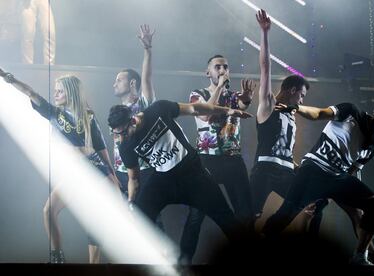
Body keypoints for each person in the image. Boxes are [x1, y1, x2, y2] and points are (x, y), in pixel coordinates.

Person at [262, 101, 374, 265]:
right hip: (313, 170)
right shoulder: (351, 112)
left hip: (337, 178)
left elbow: (351, 170)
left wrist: (335, 194)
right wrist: (298, 108)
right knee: (287, 213)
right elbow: (319, 113)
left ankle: (360, 256)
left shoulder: (373, 148)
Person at [0, 69, 120, 264]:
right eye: (55, 90)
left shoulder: (88, 116)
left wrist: (111, 173)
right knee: (49, 211)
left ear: (70, 93)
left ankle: (98, 264)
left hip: (93, 168)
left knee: (98, 218)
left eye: (60, 91)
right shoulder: (53, 112)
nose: (55, 94)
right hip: (74, 173)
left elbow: (100, 146)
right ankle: (57, 257)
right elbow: (31, 93)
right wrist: (7, 77)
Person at [107, 96, 253, 254]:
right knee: (140, 217)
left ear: (133, 121)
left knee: (226, 218)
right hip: (163, 181)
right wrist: (130, 203)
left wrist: (227, 110)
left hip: (192, 174)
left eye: (123, 133)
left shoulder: (158, 110)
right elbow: (133, 179)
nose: (121, 138)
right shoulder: (126, 146)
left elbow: (194, 109)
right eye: (116, 134)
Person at [250, 9, 326, 236]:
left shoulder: (292, 114)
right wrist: (264, 33)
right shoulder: (268, 104)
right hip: (264, 170)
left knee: (316, 202)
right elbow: (265, 68)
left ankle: (272, 231)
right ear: (292, 90)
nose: (302, 101)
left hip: (285, 171)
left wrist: (298, 167)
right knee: (248, 217)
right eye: (301, 95)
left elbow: (284, 150)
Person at [179, 54, 255, 264]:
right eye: (218, 67)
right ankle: (183, 262)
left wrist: (247, 95)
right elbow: (205, 115)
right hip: (207, 160)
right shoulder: (198, 94)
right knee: (196, 214)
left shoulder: (232, 96)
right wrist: (220, 87)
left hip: (232, 160)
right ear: (208, 72)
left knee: (245, 214)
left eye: (226, 67)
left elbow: (242, 105)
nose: (222, 70)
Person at [112, 24, 164, 229]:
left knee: (150, 220)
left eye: (119, 80)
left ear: (132, 83)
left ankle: (163, 259)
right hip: (122, 172)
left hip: (144, 171)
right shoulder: (117, 110)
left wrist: (147, 50)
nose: (114, 84)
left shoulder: (143, 103)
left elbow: (147, 78)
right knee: (129, 223)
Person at [21, 0, 56, 64]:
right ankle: (27, 66)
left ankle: (50, 66)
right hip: (27, 2)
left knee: (50, 33)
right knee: (28, 34)